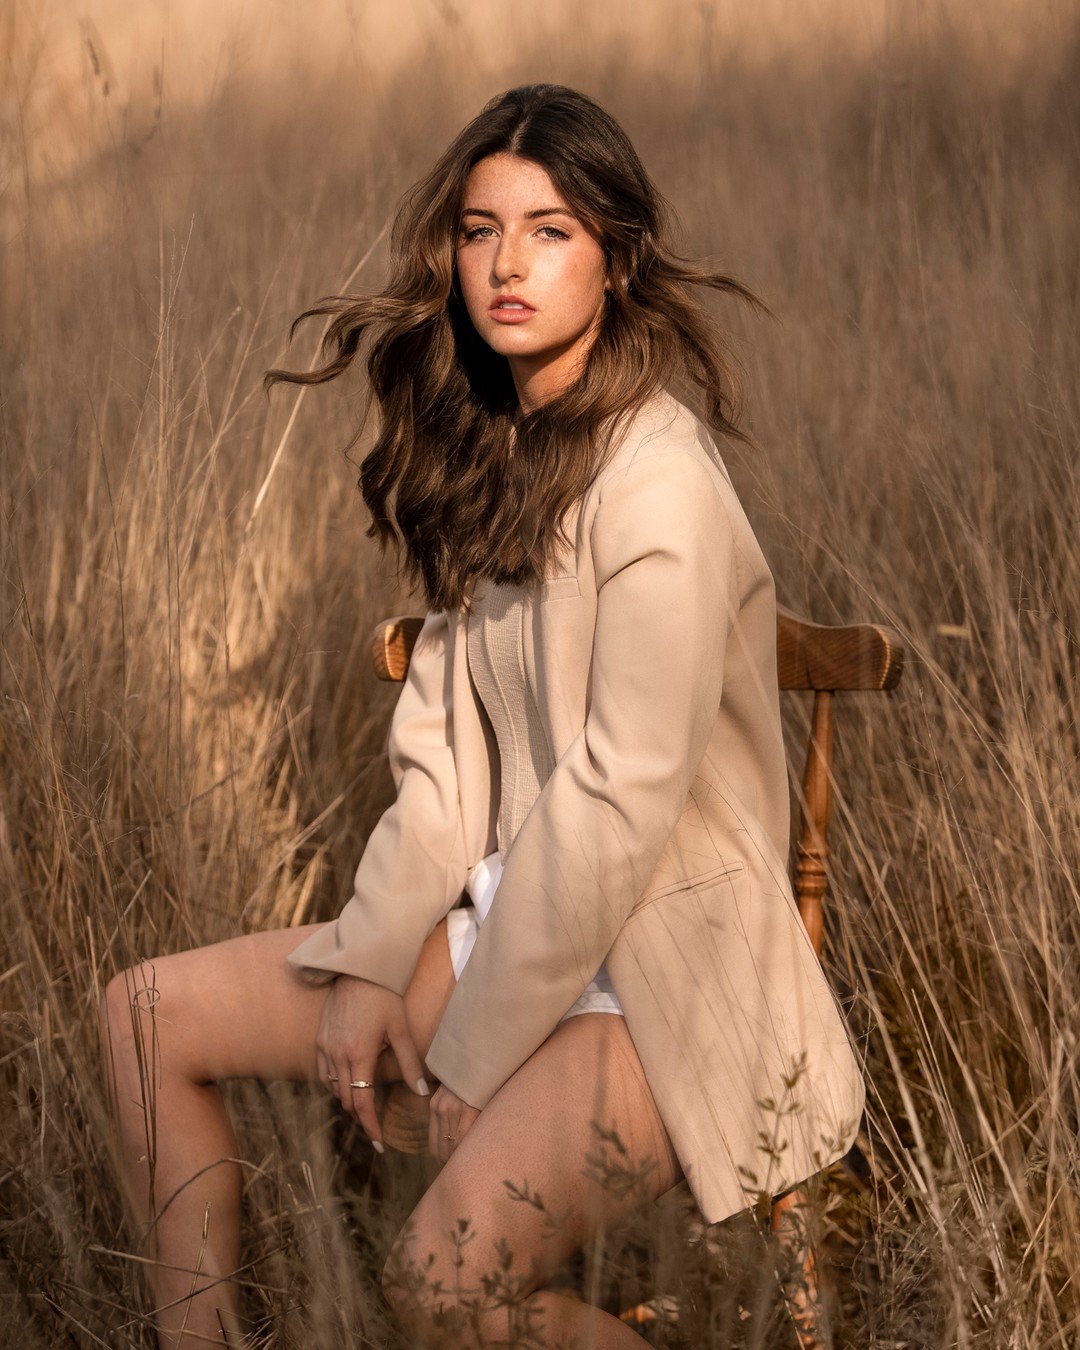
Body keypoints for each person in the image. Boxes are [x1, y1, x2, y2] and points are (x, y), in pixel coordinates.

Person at [99, 82, 866, 1348]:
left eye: (550, 229)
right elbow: (445, 763)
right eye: (478, 228)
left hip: (666, 982)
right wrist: (362, 964)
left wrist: (470, 1047)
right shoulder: (502, 454)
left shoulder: (660, 483)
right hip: (514, 923)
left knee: (437, 1289)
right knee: (141, 1020)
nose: (506, 263)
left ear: (615, 260)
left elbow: (623, 798)